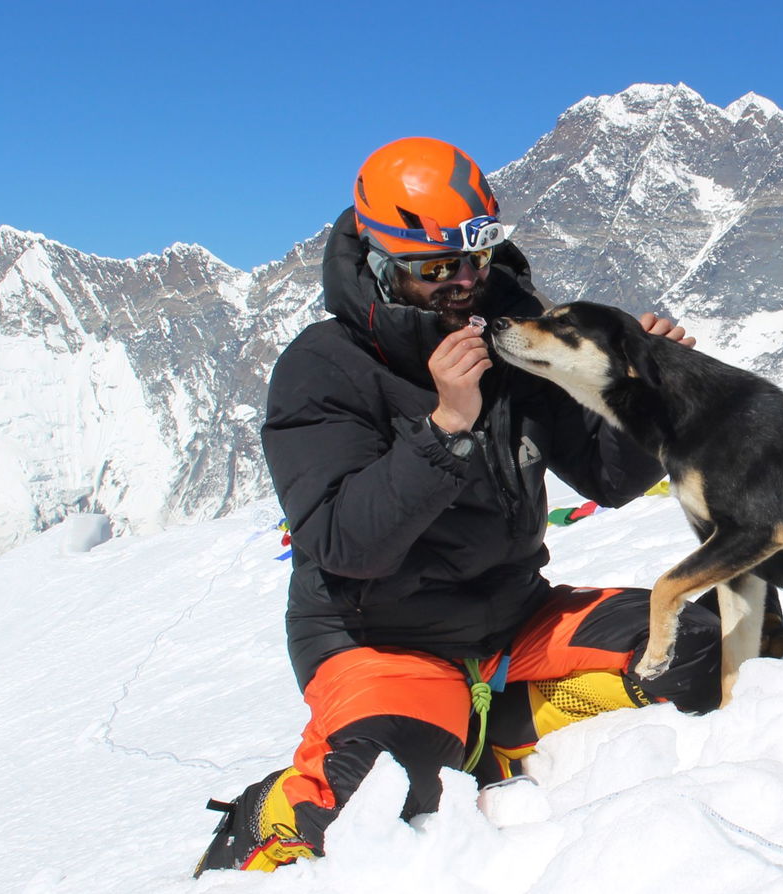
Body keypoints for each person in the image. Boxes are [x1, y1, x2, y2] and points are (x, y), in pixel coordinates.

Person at [194, 137, 725, 875]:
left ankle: (498, 724)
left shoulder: (517, 333)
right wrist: (446, 427)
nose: (467, 282)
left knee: (701, 642)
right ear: (382, 262)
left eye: (475, 259)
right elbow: (345, 545)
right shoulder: (323, 369)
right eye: (438, 269)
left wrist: (644, 397)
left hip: (512, 619)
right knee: (383, 806)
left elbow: (608, 480)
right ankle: (274, 811)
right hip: (376, 639)